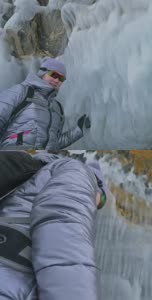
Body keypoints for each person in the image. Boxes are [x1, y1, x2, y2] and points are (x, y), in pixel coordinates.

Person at [0, 152, 107, 300]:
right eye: (101, 200)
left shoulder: (19, 174)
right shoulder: (76, 169)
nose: (96, 205)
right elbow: (62, 229)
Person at [0, 58, 91, 149]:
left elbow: (55, 143)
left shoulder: (57, 107)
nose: (56, 80)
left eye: (61, 78)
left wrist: (79, 130)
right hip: (13, 155)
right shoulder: (22, 91)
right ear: (42, 72)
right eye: (54, 75)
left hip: (39, 159)